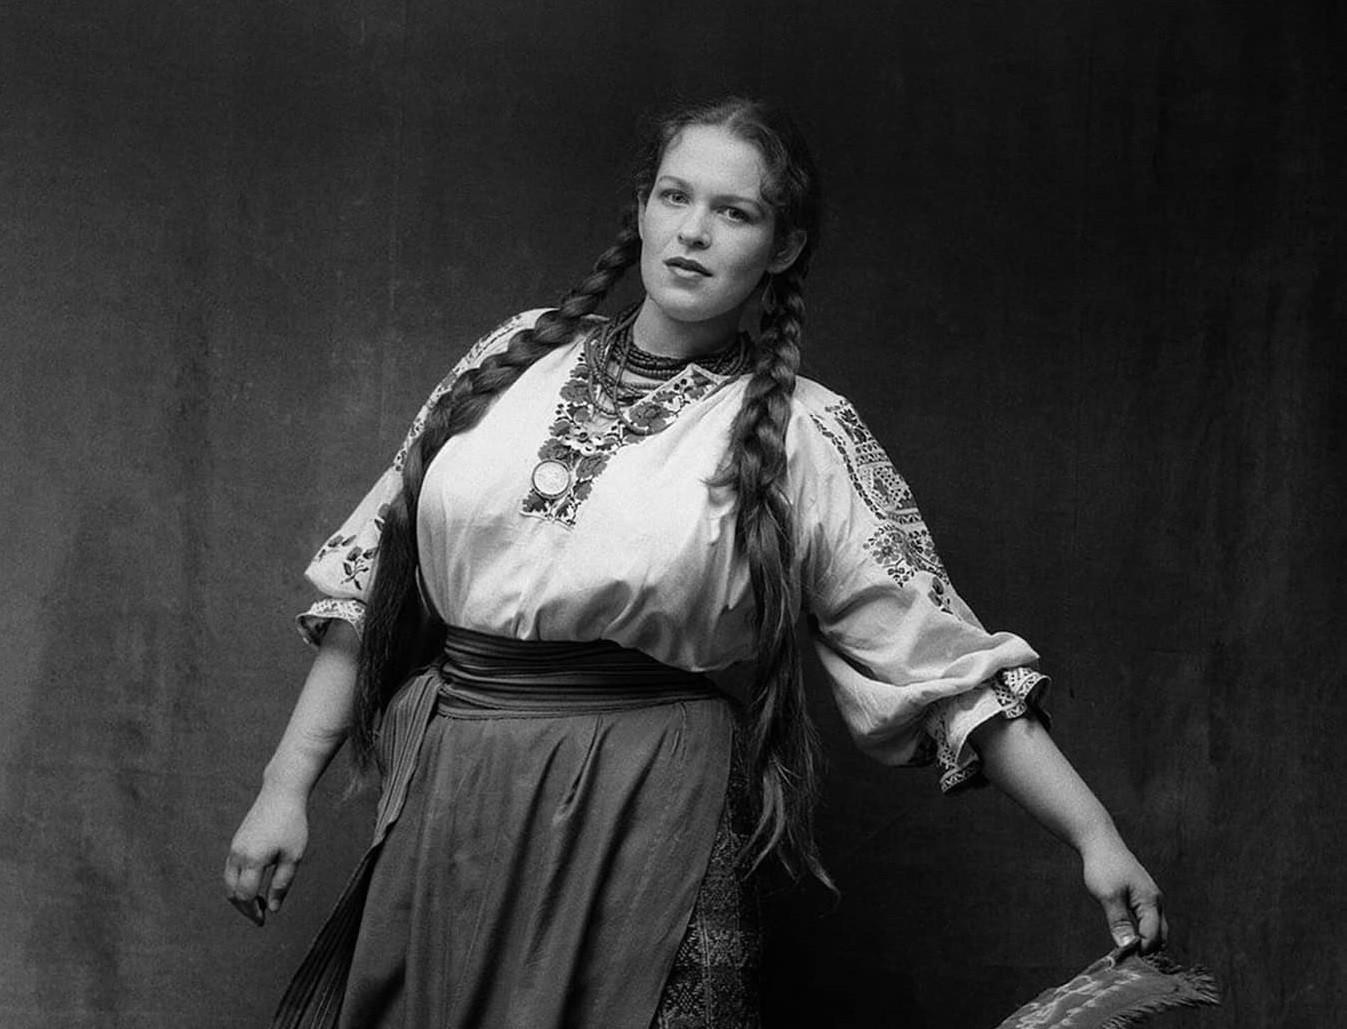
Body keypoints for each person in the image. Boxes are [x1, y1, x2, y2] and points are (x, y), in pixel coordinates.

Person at [224, 96, 1167, 1028]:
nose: (693, 232)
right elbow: (371, 582)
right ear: (640, 208)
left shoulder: (805, 431)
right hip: (455, 785)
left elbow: (937, 657)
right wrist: (283, 787)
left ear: (782, 247)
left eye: (735, 212)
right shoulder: (513, 356)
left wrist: (1094, 835)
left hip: (650, 802)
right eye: (675, 197)